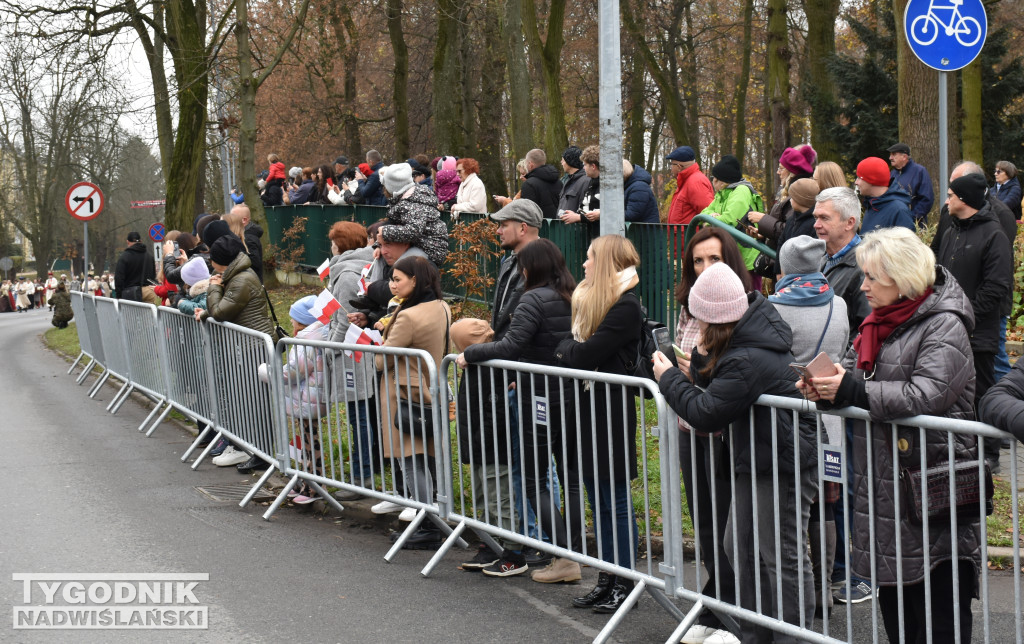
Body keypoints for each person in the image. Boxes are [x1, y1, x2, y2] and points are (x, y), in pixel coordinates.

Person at [798, 227, 981, 644]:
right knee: (898, 614)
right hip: (884, 489)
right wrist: (825, 389)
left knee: (937, 618)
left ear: (903, 279)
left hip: (932, 492)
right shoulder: (877, 321)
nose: (862, 286)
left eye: (871, 278)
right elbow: (851, 373)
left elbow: (926, 394)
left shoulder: (944, 324)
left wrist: (851, 390)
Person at [655, 261, 818, 644]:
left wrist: (668, 379)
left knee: (782, 556)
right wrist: (696, 358)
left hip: (783, 461)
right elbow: (717, 383)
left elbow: (707, 412)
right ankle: (756, 633)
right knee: (739, 547)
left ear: (713, 319)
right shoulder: (744, 341)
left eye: (700, 319)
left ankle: (792, 638)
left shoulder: (747, 357)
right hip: (759, 457)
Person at [457, 238, 582, 582]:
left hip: (537, 397)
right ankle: (571, 552)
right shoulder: (573, 296)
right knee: (569, 479)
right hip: (569, 396)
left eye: (523, 266)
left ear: (532, 268)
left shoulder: (532, 298)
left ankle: (562, 556)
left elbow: (512, 344)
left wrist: (471, 353)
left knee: (533, 479)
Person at [554, 235, 642, 614]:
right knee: (597, 498)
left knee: (615, 500)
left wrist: (566, 349)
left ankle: (625, 582)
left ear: (605, 262)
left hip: (610, 411)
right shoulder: (595, 303)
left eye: (591, 258)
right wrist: (570, 351)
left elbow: (583, 353)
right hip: (588, 408)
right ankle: (606, 579)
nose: (585, 264)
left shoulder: (625, 306)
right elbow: (577, 352)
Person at [670, 227, 750, 644]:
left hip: (723, 431)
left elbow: (736, 368)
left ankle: (733, 614)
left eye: (713, 260)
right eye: (697, 261)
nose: (704, 269)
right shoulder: (688, 305)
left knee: (726, 525)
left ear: (730, 263)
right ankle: (715, 601)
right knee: (702, 522)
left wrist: (693, 373)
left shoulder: (739, 306)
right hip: (689, 424)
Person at [768, 235, 849, 620]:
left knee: (793, 509)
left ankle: (796, 594)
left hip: (788, 420)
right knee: (825, 506)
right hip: (830, 420)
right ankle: (824, 591)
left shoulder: (771, 308)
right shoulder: (841, 304)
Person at [931, 173, 1013, 472]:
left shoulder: (994, 235)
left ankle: (989, 453)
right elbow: (935, 264)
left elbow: (996, 287)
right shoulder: (951, 228)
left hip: (978, 333)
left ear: (964, 200)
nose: (947, 200)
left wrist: (964, 316)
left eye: (951, 195)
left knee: (982, 391)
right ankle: (959, 447)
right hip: (947, 327)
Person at [373, 256, 452, 550]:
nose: (392, 285)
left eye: (398, 279)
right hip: (430, 388)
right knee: (427, 456)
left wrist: (381, 339)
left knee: (411, 458)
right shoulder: (442, 306)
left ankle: (425, 523)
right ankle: (429, 520)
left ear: (415, 280)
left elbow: (383, 360)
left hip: (403, 391)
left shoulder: (407, 315)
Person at [194, 234, 276, 474]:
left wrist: (213, 288)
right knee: (246, 398)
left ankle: (262, 453)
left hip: (253, 347)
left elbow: (220, 311)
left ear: (223, 261)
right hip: (247, 345)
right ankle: (253, 448)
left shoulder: (240, 280)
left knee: (255, 401)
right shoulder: (238, 276)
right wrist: (207, 312)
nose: (210, 264)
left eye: (213, 259)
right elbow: (224, 311)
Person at [325, 221, 379, 500]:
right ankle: (365, 473)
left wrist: (328, 348)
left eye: (334, 241)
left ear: (342, 245)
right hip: (357, 352)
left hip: (351, 354)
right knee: (363, 414)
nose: (331, 246)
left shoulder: (346, 274)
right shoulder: (360, 266)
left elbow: (344, 320)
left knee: (359, 416)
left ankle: (362, 477)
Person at [262, 295, 329, 504]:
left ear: (302, 321)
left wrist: (268, 372)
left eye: (293, 319)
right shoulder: (312, 336)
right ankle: (305, 482)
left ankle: (314, 487)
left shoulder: (306, 341)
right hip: (307, 398)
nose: (290, 322)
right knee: (306, 442)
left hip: (308, 399)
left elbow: (293, 371)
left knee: (311, 443)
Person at [813, 187, 871, 346]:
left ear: (850, 223)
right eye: (816, 218)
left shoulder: (866, 267)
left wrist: (841, 362)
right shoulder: (821, 257)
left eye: (824, 218)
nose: (816, 225)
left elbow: (868, 330)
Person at [701, 154, 764, 273]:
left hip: (747, 256)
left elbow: (729, 220)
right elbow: (704, 213)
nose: (712, 181)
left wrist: (710, 220)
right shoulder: (722, 194)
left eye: (713, 178)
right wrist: (712, 217)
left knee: (749, 291)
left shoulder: (741, 191)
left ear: (721, 181)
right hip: (733, 255)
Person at [379, 163, 449, 266]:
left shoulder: (414, 202)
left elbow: (414, 230)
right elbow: (395, 224)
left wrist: (385, 232)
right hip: (418, 244)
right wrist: (379, 245)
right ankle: (373, 282)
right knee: (380, 257)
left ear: (391, 187)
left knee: (401, 267)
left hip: (431, 249)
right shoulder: (405, 199)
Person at [854, 156, 914, 234]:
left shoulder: (899, 210)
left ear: (872, 179)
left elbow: (907, 244)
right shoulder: (872, 204)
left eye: (859, 178)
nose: (856, 182)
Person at [558, 144, 601, 241]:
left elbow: (596, 212)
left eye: (585, 164)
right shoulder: (592, 182)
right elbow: (586, 207)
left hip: (598, 238)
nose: (583, 167)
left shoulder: (605, 186)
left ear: (593, 166)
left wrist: (578, 217)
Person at [887, 142, 934, 227]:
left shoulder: (920, 171)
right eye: (890, 155)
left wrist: (911, 218)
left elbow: (927, 199)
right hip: (894, 225)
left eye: (894, 155)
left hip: (914, 226)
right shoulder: (892, 174)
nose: (890, 158)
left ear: (904, 157)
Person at [666, 145, 714, 226]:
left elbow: (708, 215)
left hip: (689, 237)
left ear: (679, 166)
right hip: (682, 237)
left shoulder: (695, 182)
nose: (671, 168)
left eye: (672, 164)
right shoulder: (687, 181)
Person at [517, 148, 561, 219]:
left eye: (526, 163)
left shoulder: (529, 184)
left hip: (540, 228)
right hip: (558, 227)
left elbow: (527, 214)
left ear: (530, 164)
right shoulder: (559, 182)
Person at [114, 231, 156, 302]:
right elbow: (153, 275)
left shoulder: (124, 256)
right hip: (149, 291)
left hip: (131, 293)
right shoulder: (149, 256)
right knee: (149, 313)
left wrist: (119, 295)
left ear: (127, 242)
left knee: (131, 313)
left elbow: (119, 278)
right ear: (141, 241)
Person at [556, 146, 589, 218]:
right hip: (564, 227)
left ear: (569, 161)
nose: (561, 163)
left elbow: (586, 209)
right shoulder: (569, 180)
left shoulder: (585, 181)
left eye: (563, 160)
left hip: (575, 228)